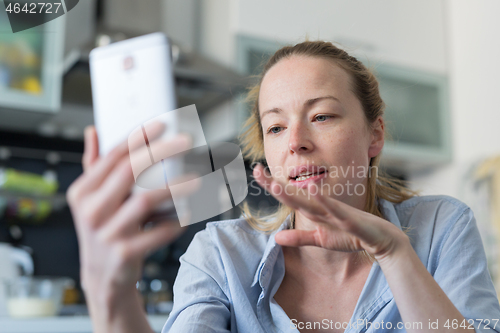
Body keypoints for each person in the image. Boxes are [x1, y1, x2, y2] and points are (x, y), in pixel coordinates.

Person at [67, 40, 500, 333]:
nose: (296, 142)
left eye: (322, 116)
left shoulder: (442, 226)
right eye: (275, 127)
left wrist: (396, 254)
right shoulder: (219, 252)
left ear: (375, 134)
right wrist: (111, 292)